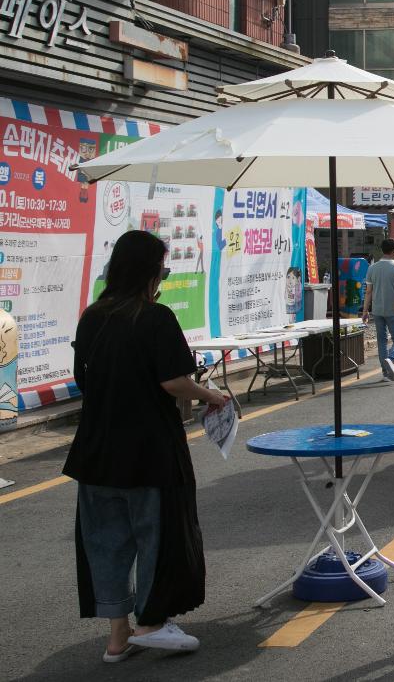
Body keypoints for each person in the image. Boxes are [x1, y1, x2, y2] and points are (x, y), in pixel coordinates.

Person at [64, 230, 230, 660]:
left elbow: (84, 379)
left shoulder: (92, 316)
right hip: (148, 452)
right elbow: (173, 381)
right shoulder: (155, 317)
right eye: (163, 269)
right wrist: (212, 396)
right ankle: (152, 622)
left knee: (107, 544)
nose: (163, 277)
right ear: (149, 271)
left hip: (95, 452)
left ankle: (118, 638)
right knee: (156, 537)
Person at [362, 239, 394, 381]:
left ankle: (385, 373)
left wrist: (364, 311)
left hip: (377, 310)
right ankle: (392, 359)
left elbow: (368, 292)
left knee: (381, 340)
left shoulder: (372, 268)